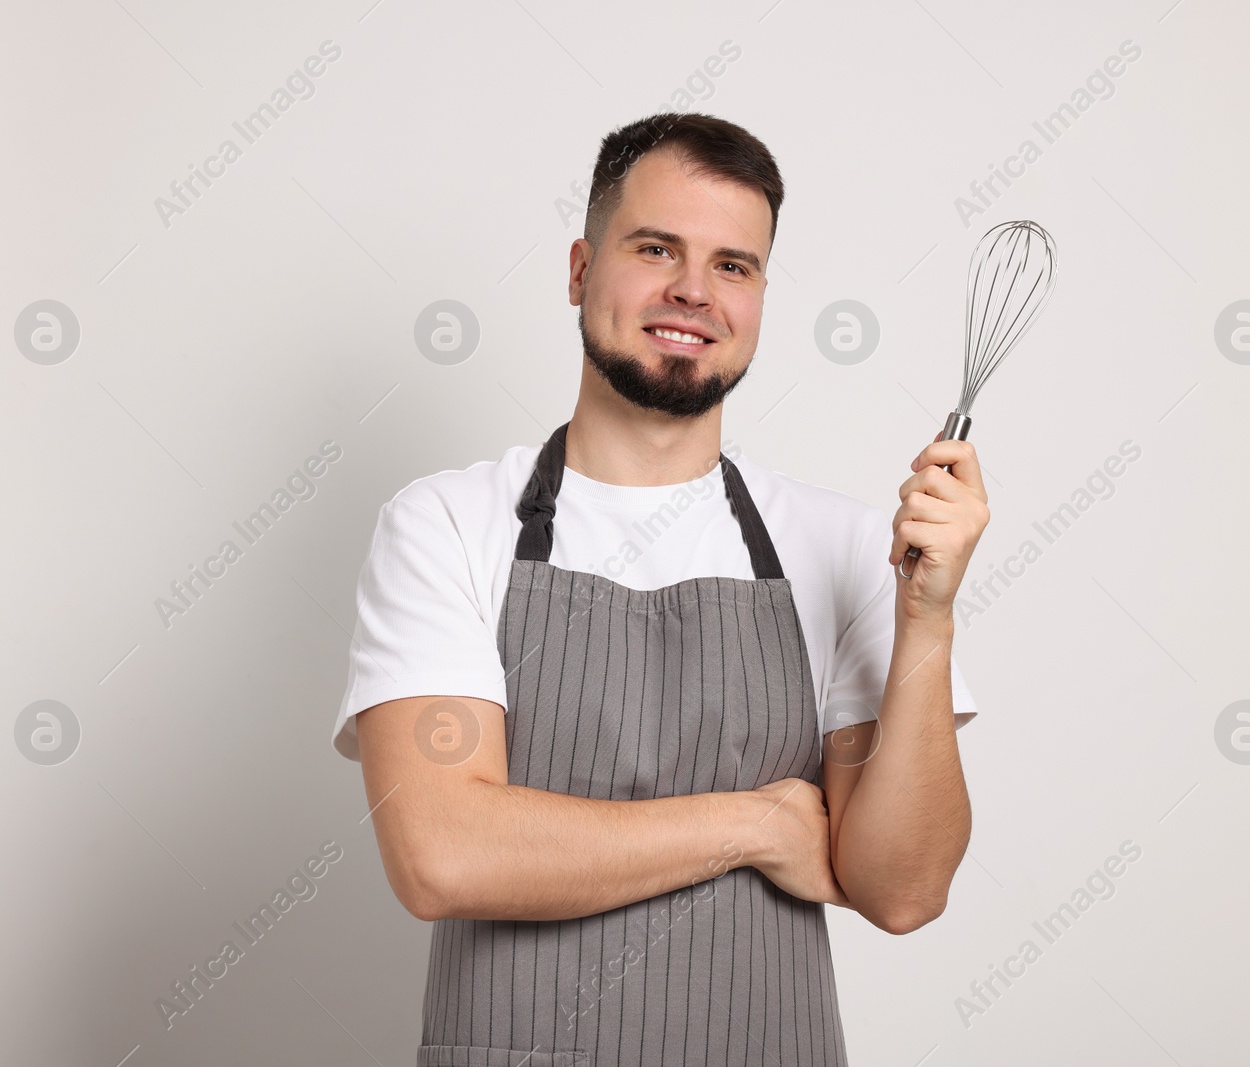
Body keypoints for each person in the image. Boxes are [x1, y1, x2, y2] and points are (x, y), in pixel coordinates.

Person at [331, 112, 989, 1067]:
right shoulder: (446, 524)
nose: (693, 290)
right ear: (578, 270)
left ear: (762, 295)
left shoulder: (843, 545)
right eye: (655, 248)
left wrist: (927, 617)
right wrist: (756, 820)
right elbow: (444, 853)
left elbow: (900, 887)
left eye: (734, 265)